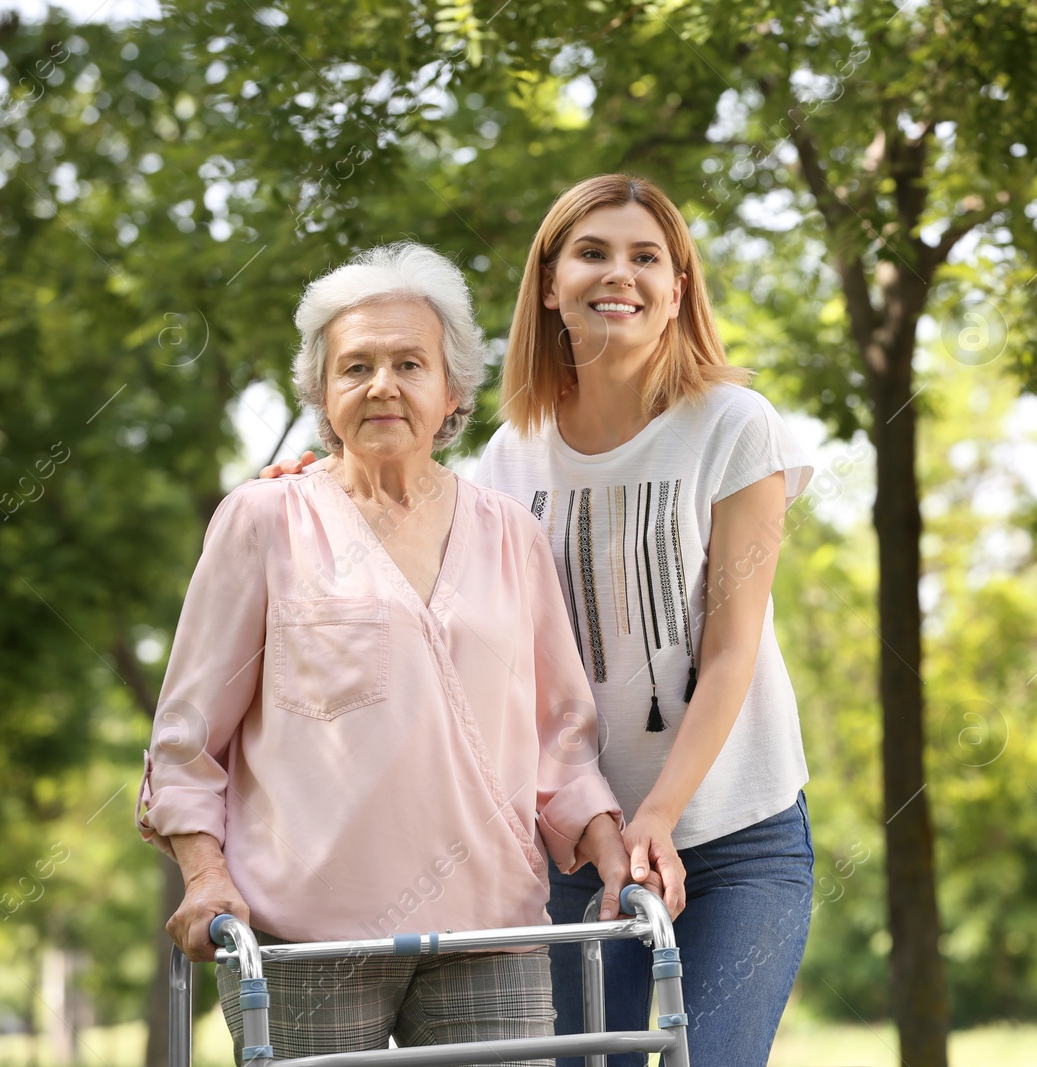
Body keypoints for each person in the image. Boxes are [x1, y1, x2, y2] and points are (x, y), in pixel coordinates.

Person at [269, 174, 818, 1066]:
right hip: (575, 846)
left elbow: (730, 654)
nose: (620, 275)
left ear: (678, 288)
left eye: (648, 257)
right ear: (550, 283)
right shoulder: (508, 457)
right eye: (593, 253)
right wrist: (317, 480)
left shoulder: (734, 426)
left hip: (734, 839)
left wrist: (660, 814)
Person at [138, 241, 681, 1067]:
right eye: (355, 367)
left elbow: (560, 739)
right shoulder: (264, 522)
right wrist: (205, 875)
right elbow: (187, 740)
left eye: (408, 363)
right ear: (322, 393)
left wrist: (610, 844)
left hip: (491, 928)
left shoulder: (511, 535)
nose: (382, 385)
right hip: (304, 940)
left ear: (450, 389)